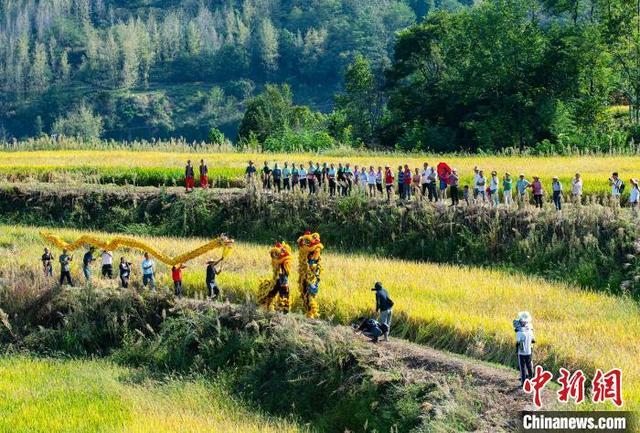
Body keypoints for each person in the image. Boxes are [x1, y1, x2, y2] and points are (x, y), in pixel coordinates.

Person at [515, 311, 535, 386]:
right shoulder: (530, 331)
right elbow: (533, 340)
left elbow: (517, 342)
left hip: (521, 353)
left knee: (522, 368)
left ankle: (523, 383)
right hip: (529, 352)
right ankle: (531, 379)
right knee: (529, 366)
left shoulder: (519, 333)